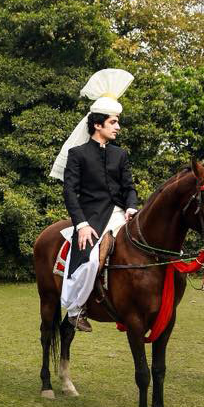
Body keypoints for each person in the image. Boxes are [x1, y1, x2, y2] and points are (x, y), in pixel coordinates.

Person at [50, 69, 139, 332]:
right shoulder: (77, 155)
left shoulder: (120, 154)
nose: (118, 127)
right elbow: (70, 192)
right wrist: (81, 225)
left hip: (121, 213)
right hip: (91, 218)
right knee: (90, 260)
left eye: (118, 122)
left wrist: (132, 205)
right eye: (114, 122)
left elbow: (129, 187)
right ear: (97, 124)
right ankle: (77, 310)